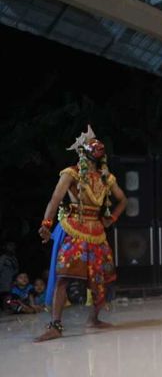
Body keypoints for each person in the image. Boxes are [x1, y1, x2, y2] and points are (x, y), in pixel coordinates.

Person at [36, 126, 126, 341]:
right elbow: (55, 199)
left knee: (102, 276)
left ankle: (93, 319)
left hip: (96, 230)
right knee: (64, 276)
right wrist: (46, 224)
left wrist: (111, 218)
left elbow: (123, 200)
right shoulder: (72, 173)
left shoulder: (106, 178)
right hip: (75, 227)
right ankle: (55, 325)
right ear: (84, 153)